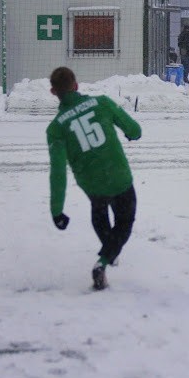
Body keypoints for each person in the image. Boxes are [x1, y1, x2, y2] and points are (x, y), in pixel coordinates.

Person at [46, 66, 142, 290]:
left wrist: (56, 210)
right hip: (118, 175)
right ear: (76, 86)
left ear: (53, 92)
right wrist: (131, 134)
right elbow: (135, 129)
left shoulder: (56, 128)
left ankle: (109, 251)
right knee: (125, 222)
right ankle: (105, 259)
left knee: (99, 215)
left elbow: (58, 171)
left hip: (91, 183)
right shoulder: (102, 103)